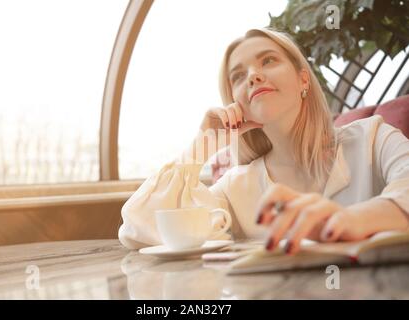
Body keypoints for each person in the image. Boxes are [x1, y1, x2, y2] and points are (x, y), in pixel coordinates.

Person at [118, 28, 409, 254]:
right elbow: (138, 226)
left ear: (303, 80)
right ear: (236, 101)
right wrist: (201, 147)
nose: (254, 76)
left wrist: (348, 221)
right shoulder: (236, 187)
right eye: (238, 76)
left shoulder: (373, 139)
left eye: (268, 60)